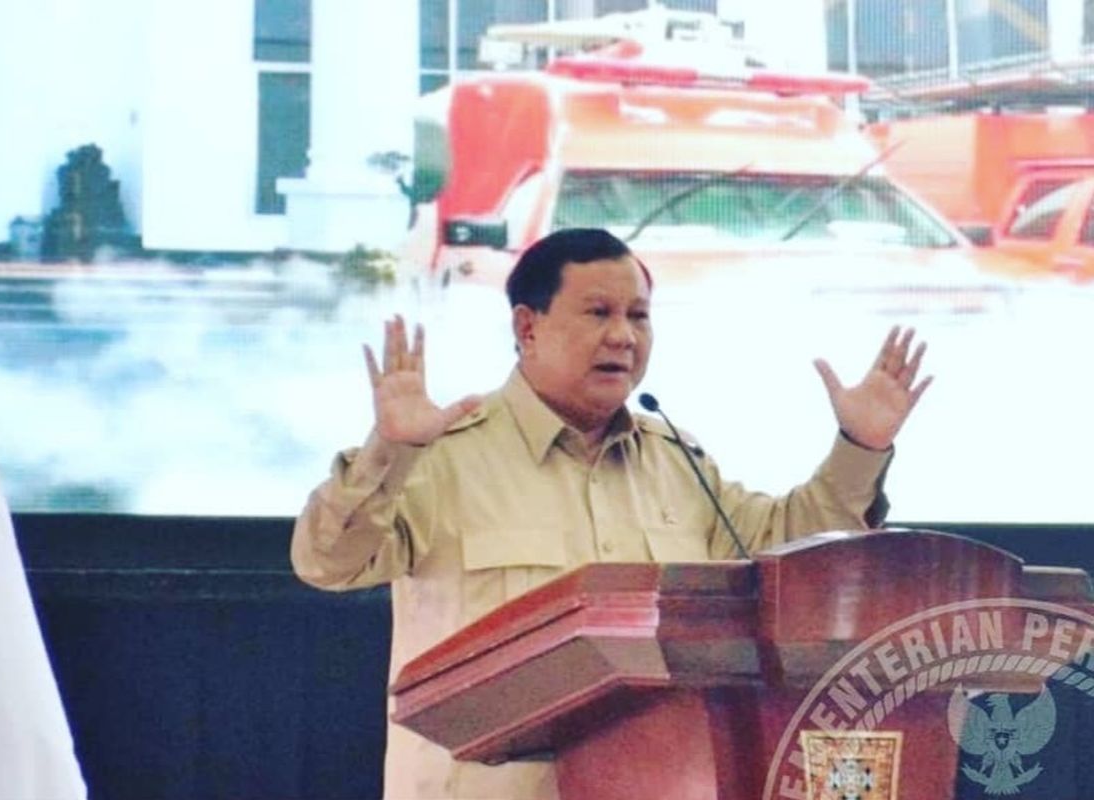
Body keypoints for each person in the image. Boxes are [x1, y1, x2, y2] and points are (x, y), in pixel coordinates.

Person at [291, 227, 931, 800]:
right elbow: (329, 564)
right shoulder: (443, 457)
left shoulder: (675, 461)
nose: (623, 336)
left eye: (638, 315)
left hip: (660, 781)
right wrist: (390, 450)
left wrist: (861, 448)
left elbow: (788, 552)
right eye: (598, 312)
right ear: (527, 327)